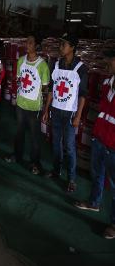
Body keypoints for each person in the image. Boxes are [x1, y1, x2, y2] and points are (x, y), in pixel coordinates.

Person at [74, 49, 115, 239]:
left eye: (110, 61)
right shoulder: (107, 82)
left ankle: (113, 225)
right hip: (100, 137)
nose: (107, 64)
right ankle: (94, 202)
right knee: (97, 173)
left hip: (113, 143)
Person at [42, 33, 88, 193]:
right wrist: (46, 109)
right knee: (56, 144)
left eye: (64, 44)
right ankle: (56, 171)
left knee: (69, 147)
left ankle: (72, 179)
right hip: (55, 110)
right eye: (60, 44)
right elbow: (51, 90)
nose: (60, 47)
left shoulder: (81, 68)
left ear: (72, 48)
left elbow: (82, 95)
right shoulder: (56, 64)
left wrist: (78, 116)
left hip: (70, 115)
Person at [5, 35, 50, 174]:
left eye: (30, 42)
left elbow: (45, 88)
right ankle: (17, 156)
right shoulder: (21, 61)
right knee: (19, 133)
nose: (27, 44)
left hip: (34, 108)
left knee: (35, 137)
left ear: (36, 45)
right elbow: (18, 80)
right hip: (20, 104)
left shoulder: (42, 65)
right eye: (26, 42)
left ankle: (35, 163)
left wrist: (44, 108)